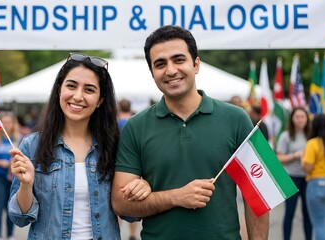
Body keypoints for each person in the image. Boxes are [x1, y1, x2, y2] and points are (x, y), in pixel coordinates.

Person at [111, 25, 269, 239]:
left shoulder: (237, 118)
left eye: (178, 59)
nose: (170, 70)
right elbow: (121, 204)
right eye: (160, 64)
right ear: (152, 73)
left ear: (196, 64)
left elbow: (259, 196)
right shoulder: (135, 126)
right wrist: (177, 196)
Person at [8, 52, 150, 239]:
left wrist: (143, 187)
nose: (77, 96)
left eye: (89, 90)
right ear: (59, 89)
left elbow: (130, 214)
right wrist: (26, 186)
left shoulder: (116, 146)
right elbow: (20, 218)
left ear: (100, 100)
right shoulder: (32, 145)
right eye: (71, 86)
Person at [275, 107, 312, 240]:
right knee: (289, 213)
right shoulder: (286, 136)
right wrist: (295, 155)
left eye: (303, 116)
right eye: (297, 117)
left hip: (308, 178)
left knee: (307, 213)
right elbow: (279, 158)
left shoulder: (312, 134)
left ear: (307, 118)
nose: (300, 119)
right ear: (292, 119)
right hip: (291, 178)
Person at [0, 111, 21, 240]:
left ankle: (10, 235)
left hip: (14, 179)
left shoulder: (18, 139)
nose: (6, 125)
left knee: (11, 208)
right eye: (3, 122)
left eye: (8, 122)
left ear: (13, 124)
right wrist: (0, 162)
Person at [302, 114, 325, 240]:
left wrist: (302, 159)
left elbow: (308, 168)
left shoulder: (312, 143)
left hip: (318, 184)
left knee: (319, 224)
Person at [116, 98, 140, 240]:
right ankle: (132, 234)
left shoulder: (116, 122)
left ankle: (118, 232)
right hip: (135, 165)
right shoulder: (135, 121)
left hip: (118, 164)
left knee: (119, 200)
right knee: (133, 199)